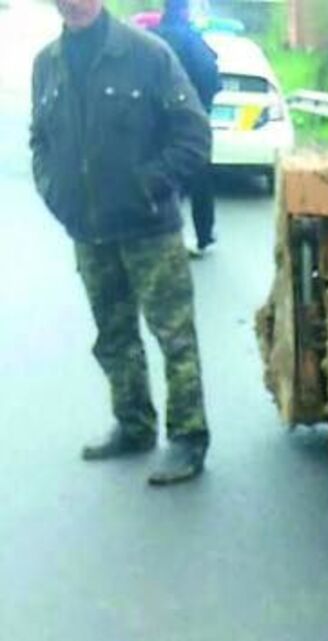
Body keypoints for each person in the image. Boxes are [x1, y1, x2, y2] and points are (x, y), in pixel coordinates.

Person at [31, 0, 213, 485]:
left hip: (149, 229)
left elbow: (193, 135)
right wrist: (57, 194)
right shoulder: (46, 64)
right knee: (113, 336)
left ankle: (188, 439)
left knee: (173, 336)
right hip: (89, 232)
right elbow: (40, 141)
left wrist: (147, 186)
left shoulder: (147, 54)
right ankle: (133, 424)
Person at [153, 0, 220, 256]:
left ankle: (160, 234)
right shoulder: (194, 41)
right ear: (185, 10)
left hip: (156, 126)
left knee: (162, 179)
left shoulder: (151, 40)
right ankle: (203, 237)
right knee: (200, 181)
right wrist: (203, 108)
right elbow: (212, 78)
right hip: (191, 122)